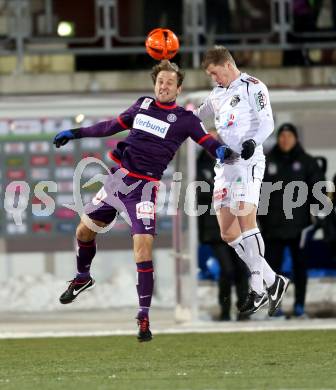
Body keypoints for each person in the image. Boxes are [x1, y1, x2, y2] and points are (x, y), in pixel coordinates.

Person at [53, 60, 227, 342]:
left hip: (144, 188)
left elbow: (207, 141)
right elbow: (111, 126)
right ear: (155, 84)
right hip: (118, 180)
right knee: (83, 231)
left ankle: (143, 315)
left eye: (170, 82)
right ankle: (82, 276)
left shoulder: (185, 119)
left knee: (143, 249)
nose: (164, 86)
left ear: (178, 88)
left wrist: (221, 151)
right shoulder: (142, 105)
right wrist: (76, 133)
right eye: (160, 81)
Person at [195, 45, 289, 316]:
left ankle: (257, 287)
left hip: (248, 161)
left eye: (215, 73)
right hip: (225, 167)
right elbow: (194, 117)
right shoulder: (216, 95)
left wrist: (252, 142)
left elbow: (267, 123)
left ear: (226, 65)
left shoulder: (253, 87)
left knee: (247, 221)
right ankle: (274, 280)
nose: (214, 78)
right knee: (227, 232)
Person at [259, 123, 325, 317]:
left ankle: (299, 306)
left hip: (300, 227)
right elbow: (258, 191)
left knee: (300, 268)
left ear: (296, 138)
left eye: (289, 136)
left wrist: (319, 215)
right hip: (272, 227)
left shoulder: (307, 162)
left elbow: (318, 190)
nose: (285, 139)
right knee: (273, 271)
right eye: (282, 136)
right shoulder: (266, 161)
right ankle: (275, 307)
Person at [196, 132, 249, 321]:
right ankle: (225, 310)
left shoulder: (233, 163)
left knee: (242, 269)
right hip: (214, 229)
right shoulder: (197, 167)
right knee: (227, 270)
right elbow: (198, 197)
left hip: (236, 224)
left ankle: (244, 309)